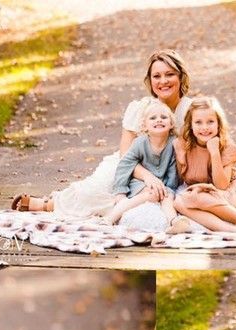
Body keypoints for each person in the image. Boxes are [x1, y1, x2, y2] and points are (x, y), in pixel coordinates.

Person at [11, 50, 193, 218]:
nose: (163, 81)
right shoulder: (139, 108)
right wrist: (148, 177)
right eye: (157, 76)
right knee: (98, 191)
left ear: (181, 77)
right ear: (150, 82)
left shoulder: (191, 111)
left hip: (171, 174)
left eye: (170, 74)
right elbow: (125, 156)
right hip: (133, 167)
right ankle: (48, 204)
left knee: (160, 204)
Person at [171, 96, 236, 238]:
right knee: (179, 202)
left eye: (210, 122)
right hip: (199, 194)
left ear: (218, 123)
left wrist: (214, 152)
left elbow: (221, 185)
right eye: (198, 122)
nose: (204, 128)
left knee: (196, 198)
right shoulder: (183, 144)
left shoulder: (226, 146)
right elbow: (182, 177)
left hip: (225, 195)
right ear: (190, 124)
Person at [106, 101, 180, 227]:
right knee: (151, 194)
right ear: (144, 126)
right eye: (153, 118)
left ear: (171, 123)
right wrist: (120, 191)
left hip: (164, 184)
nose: (159, 120)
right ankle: (111, 217)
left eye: (163, 117)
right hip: (140, 183)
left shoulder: (174, 143)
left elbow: (173, 170)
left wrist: (168, 189)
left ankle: (174, 222)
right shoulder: (140, 143)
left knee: (167, 198)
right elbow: (125, 164)